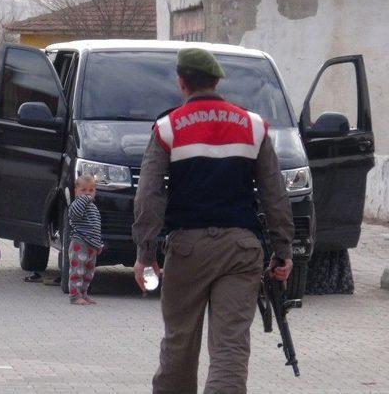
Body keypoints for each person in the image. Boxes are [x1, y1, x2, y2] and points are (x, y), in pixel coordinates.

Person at [132, 48, 295, 394]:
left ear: (181, 83)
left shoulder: (166, 129)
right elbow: (275, 195)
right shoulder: (254, 127)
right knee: (230, 348)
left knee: (178, 345)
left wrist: (146, 254)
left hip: (187, 251)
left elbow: (148, 196)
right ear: (218, 81)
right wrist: (283, 251)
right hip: (241, 251)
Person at [67, 174, 103, 305]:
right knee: (78, 270)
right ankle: (75, 295)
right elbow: (75, 215)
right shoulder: (77, 204)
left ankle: (83, 293)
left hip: (92, 245)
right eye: (83, 190)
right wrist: (83, 199)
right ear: (76, 191)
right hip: (80, 242)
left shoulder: (93, 208)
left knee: (88, 273)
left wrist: (98, 244)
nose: (87, 193)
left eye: (91, 190)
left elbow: (96, 227)